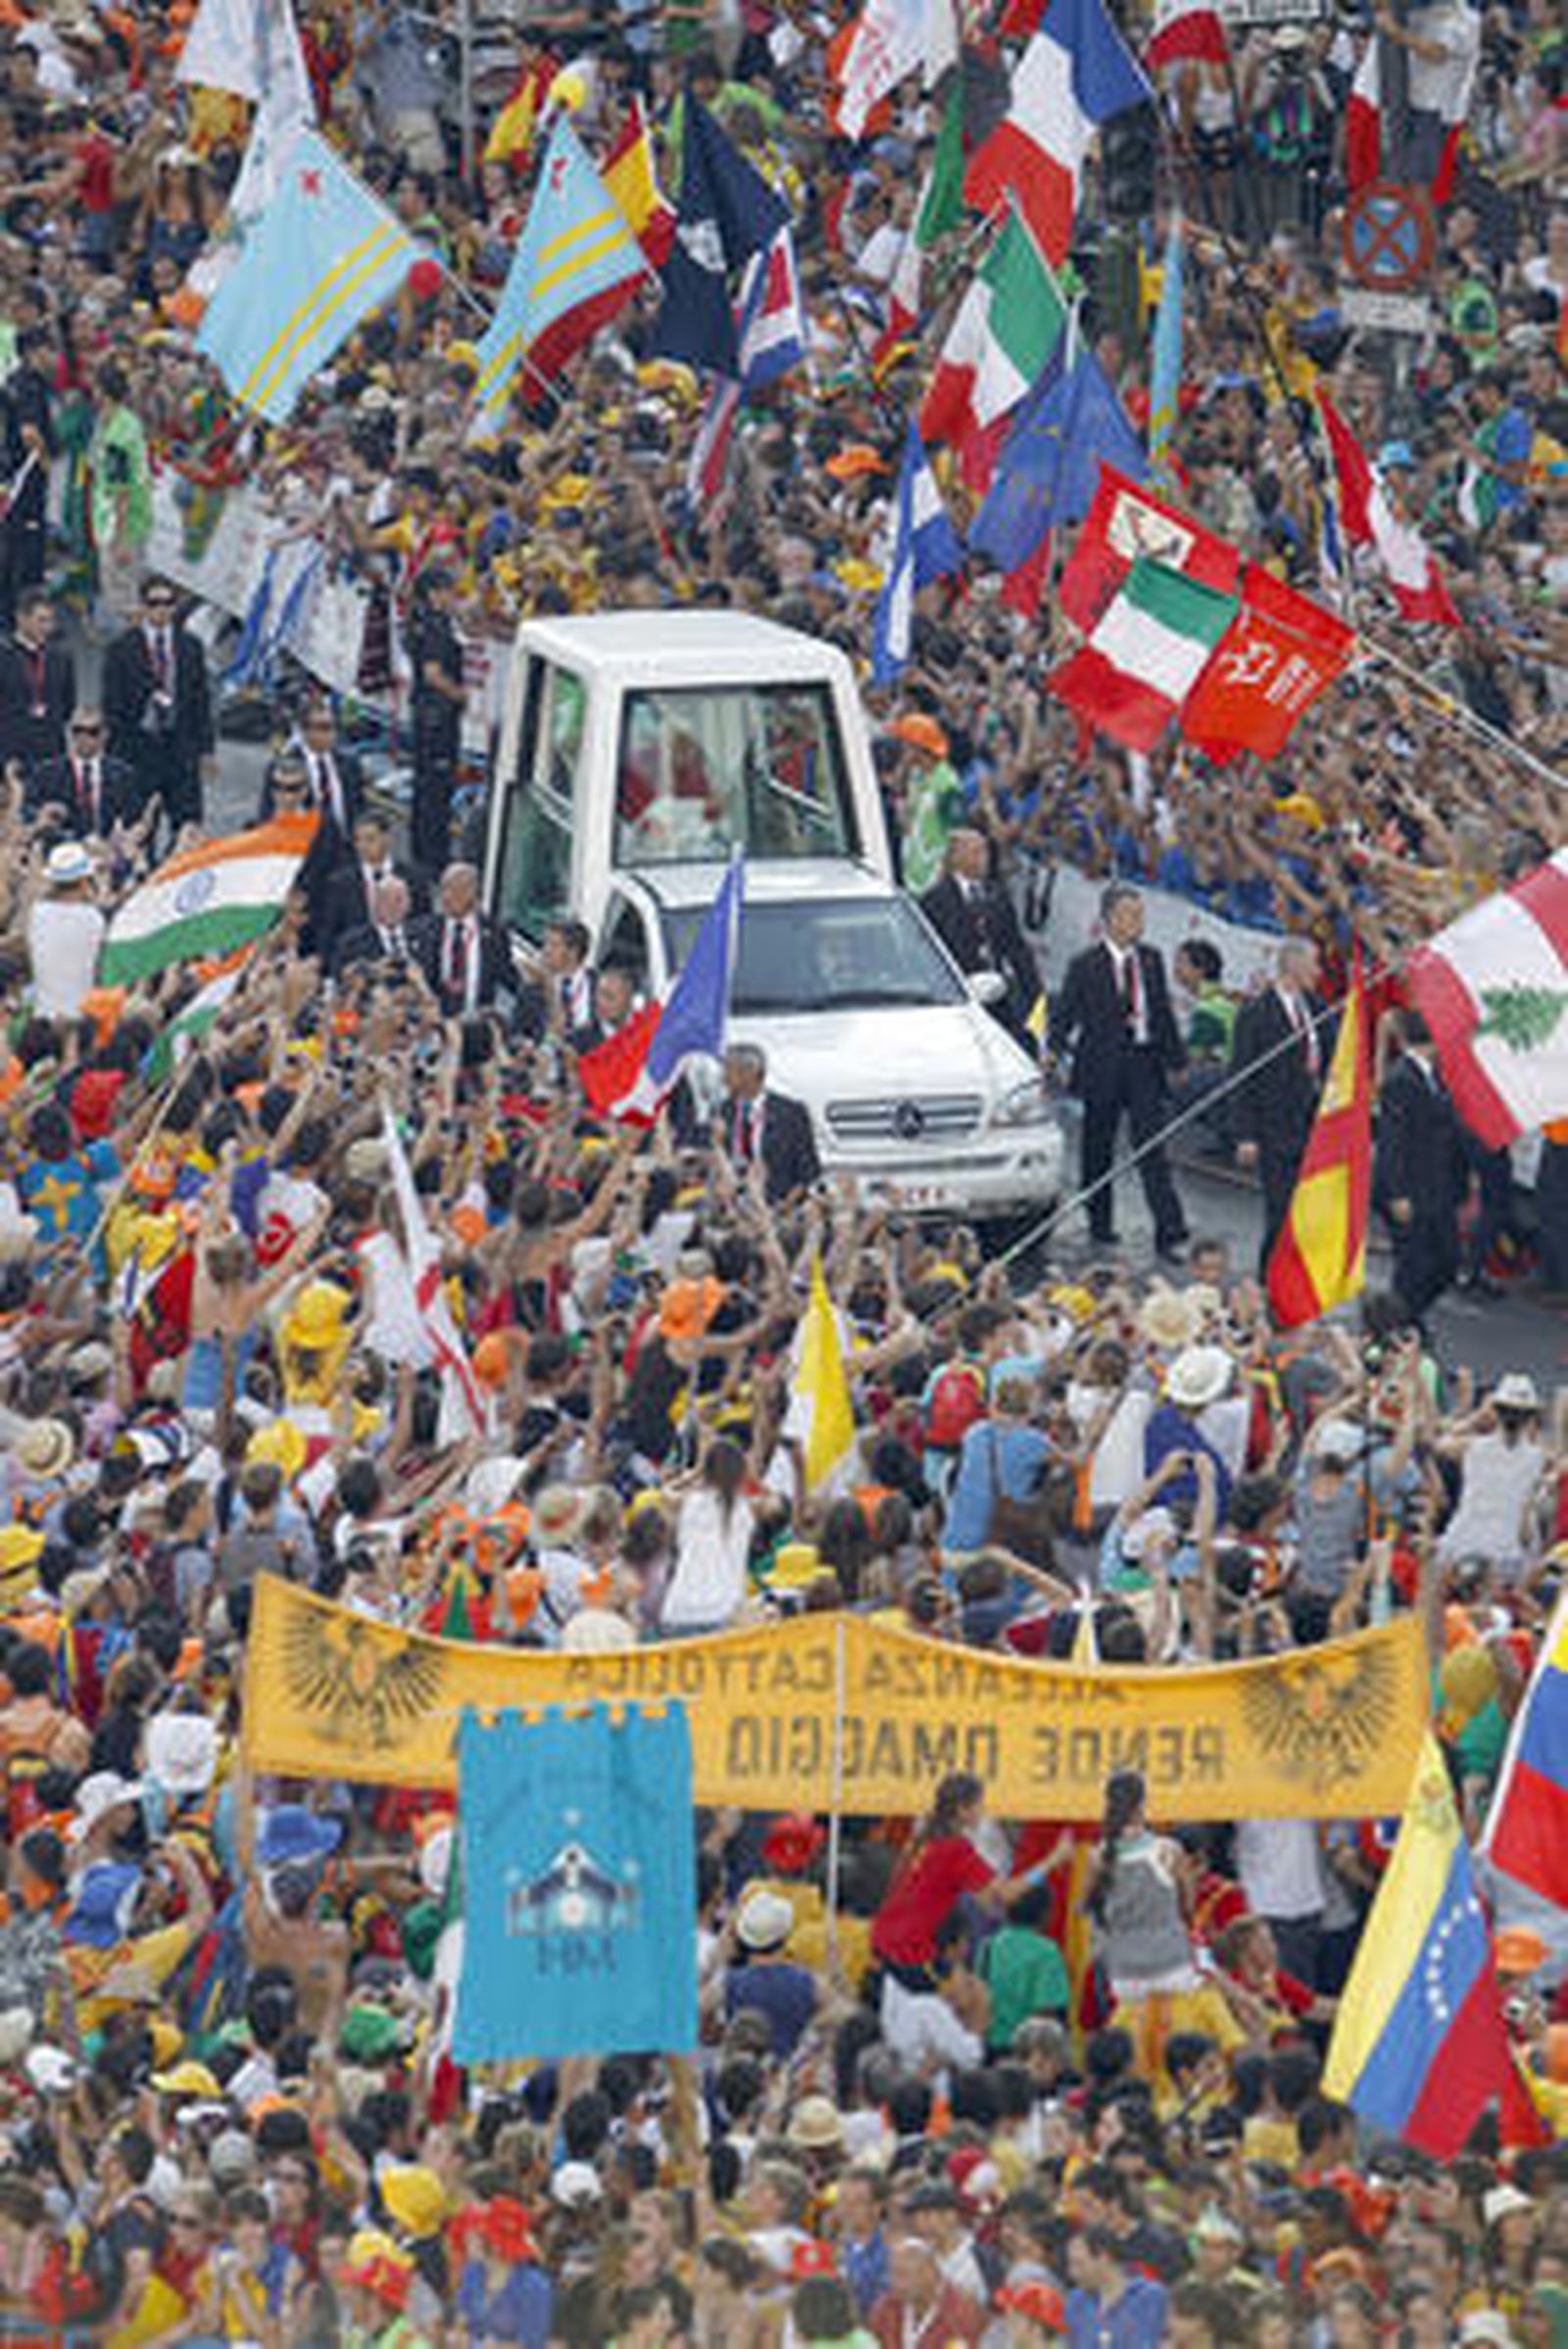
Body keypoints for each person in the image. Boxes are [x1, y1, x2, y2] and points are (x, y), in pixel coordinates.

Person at [1048, 884, 1189, 1259]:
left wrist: (1176, 1060)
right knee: (1098, 1148)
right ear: (1109, 918)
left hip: (1143, 1062)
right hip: (1102, 1065)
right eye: (1129, 914)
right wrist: (1052, 1049)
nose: (1136, 922)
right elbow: (1065, 1014)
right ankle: (1100, 1222)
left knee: (1151, 1148)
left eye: (1140, 915)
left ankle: (1169, 1229)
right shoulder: (1086, 964)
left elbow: (1162, 1013)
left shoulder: (1152, 960)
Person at [1230, 937, 1327, 1267]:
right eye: (1314, 964)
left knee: (1305, 1212)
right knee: (1281, 1211)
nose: (1319, 971)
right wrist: (1245, 1134)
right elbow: (1241, 1074)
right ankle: (1269, 1276)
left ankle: (1291, 1275)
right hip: (1273, 1127)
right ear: (1294, 966)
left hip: (1308, 1123)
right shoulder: (1257, 1013)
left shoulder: (1316, 1007)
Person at [1373, 1008, 1469, 1325]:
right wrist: (1397, 1193)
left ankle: (1410, 1315)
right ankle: (1396, 1326)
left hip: (1439, 1187)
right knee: (1412, 1266)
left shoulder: (1435, 1077)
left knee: (1447, 1261)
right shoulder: (1401, 1080)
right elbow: (1392, 1143)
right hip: (1411, 1190)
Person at [101, 576, 214, 837]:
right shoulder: (121, 648)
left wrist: (206, 748)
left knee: (186, 826)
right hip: (138, 747)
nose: (161, 609)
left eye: (168, 602)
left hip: (180, 748)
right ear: (143, 606)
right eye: (154, 603)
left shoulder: (190, 646)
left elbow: (201, 699)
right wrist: (115, 753)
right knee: (138, 828)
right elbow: (111, 704)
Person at [919, 828, 1042, 1048]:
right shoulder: (934, 900)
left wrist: (1034, 994)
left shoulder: (997, 894)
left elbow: (1016, 947)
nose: (983, 858)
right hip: (961, 999)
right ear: (956, 857)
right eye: (975, 852)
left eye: (984, 851)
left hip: (999, 995)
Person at [407, 566, 466, 874]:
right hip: (438, 716)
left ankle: (421, 849)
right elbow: (433, 673)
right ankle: (434, 856)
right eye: (448, 591)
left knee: (423, 785)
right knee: (437, 788)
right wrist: (460, 695)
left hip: (424, 713)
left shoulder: (417, 620)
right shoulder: (435, 626)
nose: (452, 597)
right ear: (434, 594)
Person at [712, 1042, 821, 1203]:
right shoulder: (722, 1112)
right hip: (733, 1202)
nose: (723, 1079)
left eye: (729, 1071)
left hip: (778, 1200)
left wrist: (786, 1206)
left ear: (749, 1074)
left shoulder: (790, 1113)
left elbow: (809, 1170)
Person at [411, 861, 512, 1018]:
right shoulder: (423, 930)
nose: (447, 896)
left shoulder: (495, 933)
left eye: (456, 889)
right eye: (444, 888)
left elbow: (507, 976)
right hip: (433, 1022)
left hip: (477, 1022)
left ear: (473, 892)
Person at [26, 707, 136, 838]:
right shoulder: (47, 773)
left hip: (109, 848)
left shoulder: (122, 774)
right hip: (60, 848)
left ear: (105, 734)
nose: (84, 738)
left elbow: (134, 816)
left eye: (92, 732)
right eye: (77, 731)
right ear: (69, 733)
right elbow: (27, 809)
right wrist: (43, 815)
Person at [25, 838, 103, 1020]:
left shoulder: (37, 914)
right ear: (84, 880)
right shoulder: (94, 919)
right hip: (81, 1017)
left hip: (42, 1016)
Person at [0, 585, 74, 774]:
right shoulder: (4, 656)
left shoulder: (61, 657)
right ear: (21, 618)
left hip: (51, 752)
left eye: (50, 621)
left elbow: (68, 704)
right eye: (40, 620)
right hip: (11, 753)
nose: (47, 627)